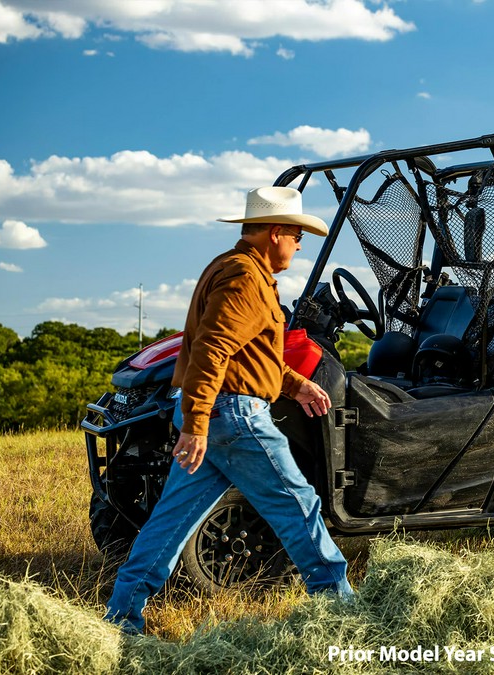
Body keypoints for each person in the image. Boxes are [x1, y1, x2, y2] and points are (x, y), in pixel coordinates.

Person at [105, 186, 353, 634]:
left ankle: (121, 616)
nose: (299, 245)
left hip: (215, 414)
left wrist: (295, 385)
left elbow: (249, 355)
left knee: (170, 523)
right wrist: (196, 425)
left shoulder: (233, 268)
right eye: (297, 235)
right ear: (276, 232)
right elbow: (212, 352)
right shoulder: (244, 278)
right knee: (300, 506)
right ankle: (343, 612)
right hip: (232, 416)